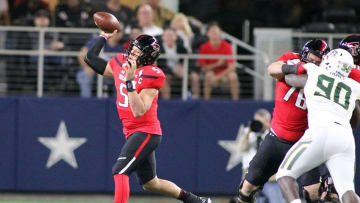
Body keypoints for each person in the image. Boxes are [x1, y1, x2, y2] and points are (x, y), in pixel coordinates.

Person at [84, 31, 211, 203]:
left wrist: (129, 82)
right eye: (133, 49)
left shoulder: (152, 74)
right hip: (131, 131)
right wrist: (104, 36)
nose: (133, 53)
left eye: (138, 52)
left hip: (146, 131)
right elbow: (90, 58)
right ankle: (196, 200)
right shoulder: (120, 62)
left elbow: (139, 111)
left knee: (120, 171)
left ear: (147, 57)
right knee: (151, 183)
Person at [229, 39, 330, 203]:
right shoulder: (292, 58)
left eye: (319, 60)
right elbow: (272, 69)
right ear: (305, 53)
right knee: (246, 189)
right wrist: (295, 68)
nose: (315, 62)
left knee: (312, 194)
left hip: (305, 143)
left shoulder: (326, 73)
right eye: (313, 57)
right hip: (277, 139)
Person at [276, 48, 360, 203]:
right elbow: (355, 120)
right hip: (345, 137)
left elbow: (288, 78)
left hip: (320, 131)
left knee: (284, 175)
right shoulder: (354, 86)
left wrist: (288, 69)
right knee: (347, 190)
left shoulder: (314, 72)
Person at [237, 109, 285, 203]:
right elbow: (241, 149)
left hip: (270, 177)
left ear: (269, 121)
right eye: (257, 121)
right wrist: (249, 132)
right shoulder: (248, 132)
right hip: (249, 175)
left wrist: (268, 128)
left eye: (262, 122)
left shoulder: (273, 133)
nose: (259, 124)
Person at [198, 22, 239, 100]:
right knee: (208, 75)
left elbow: (231, 67)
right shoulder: (203, 47)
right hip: (212, 74)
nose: (215, 34)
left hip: (225, 74)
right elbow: (203, 68)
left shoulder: (227, 46)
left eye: (216, 31)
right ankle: (206, 103)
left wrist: (217, 77)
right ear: (208, 34)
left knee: (233, 76)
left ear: (220, 33)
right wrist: (217, 64)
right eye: (212, 31)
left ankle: (235, 103)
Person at [77, 31, 124, 98]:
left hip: (108, 72)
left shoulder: (121, 47)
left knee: (121, 78)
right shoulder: (98, 41)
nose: (117, 34)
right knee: (85, 76)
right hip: (92, 70)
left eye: (119, 32)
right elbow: (81, 55)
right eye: (116, 32)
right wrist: (87, 67)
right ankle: (86, 103)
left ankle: (118, 103)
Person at [157, 27, 200, 99]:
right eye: (167, 35)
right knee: (163, 79)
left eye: (171, 35)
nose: (169, 38)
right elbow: (159, 65)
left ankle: (195, 99)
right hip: (166, 72)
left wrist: (182, 66)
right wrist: (172, 71)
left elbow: (190, 61)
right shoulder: (158, 49)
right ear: (163, 37)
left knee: (194, 77)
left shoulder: (182, 48)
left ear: (176, 37)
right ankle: (167, 102)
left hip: (181, 71)